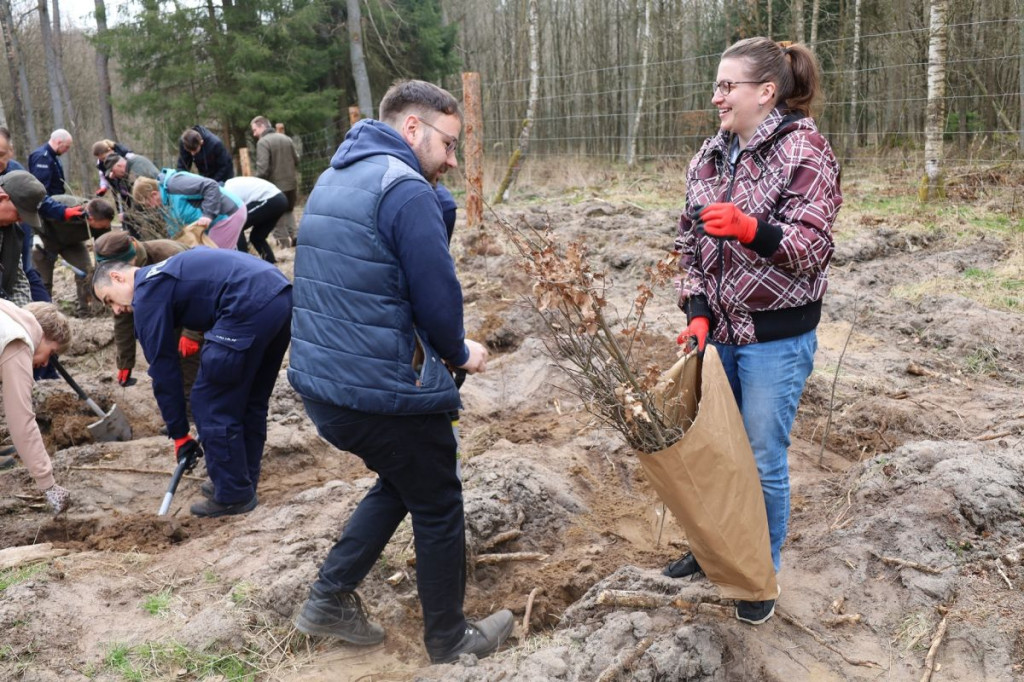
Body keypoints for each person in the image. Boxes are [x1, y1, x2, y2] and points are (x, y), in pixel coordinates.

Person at [288, 79, 512, 664]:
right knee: (438, 499)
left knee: (402, 478)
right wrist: (460, 353)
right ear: (413, 128)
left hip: (325, 383)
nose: (453, 158)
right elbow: (437, 298)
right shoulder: (403, 187)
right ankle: (450, 641)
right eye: (449, 144)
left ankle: (328, 599)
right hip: (378, 390)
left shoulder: (336, 176)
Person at [668, 38, 842, 625]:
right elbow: (688, 243)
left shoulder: (806, 152)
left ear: (765, 92)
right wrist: (696, 310)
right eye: (716, 85)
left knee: (762, 457)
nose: (717, 97)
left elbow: (813, 248)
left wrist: (752, 229)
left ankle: (756, 574)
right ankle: (712, 549)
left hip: (776, 337)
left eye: (727, 86)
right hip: (718, 333)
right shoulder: (710, 157)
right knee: (716, 450)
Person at [92, 248, 291, 517]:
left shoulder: (147, 293)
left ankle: (234, 494)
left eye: (109, 300)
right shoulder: (163, 273)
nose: (116, 309)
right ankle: (240, 479)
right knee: (248, 400)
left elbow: (163, 369)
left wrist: (179, 434)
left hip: (246, 305)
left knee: (209, 401)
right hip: (280, 296)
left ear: (117, 278)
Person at [93, 230, 203, 393]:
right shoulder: (109, 269)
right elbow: (122, 316)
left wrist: (192, 333)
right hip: (159, 310)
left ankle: (191, 406)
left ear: (134, 248)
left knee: (189, 360)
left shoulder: (168, 253)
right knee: (163, 359)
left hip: (192, 304)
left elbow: (198, 292)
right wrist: (125, 361)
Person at [0, 300, 72, 511]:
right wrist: (48, 484)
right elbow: (21, 420)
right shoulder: (17, 341)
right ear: (44, 335)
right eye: (52, 352)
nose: (46, 364)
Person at [31, 193, 111, 317]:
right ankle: (43, 314)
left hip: (73, 243)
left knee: (86, 273)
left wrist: (99, 270)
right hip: (46, 240)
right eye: (103, 224)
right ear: (91, 219)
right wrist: (46, 245)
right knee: (43, 280)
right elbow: (36, 218)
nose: (106, 226)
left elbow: (103, 250)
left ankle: (85, 310)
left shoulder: (103, 223)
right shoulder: (63, 204)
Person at [132, 172, 246, 250]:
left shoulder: (175, 184)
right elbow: (175, 230)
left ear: (153, 194)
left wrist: (208, 215)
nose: (151, 207)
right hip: (215, 222)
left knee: (218, 260)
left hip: (226, 214)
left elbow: (210, 186)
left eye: (148, 204)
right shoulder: (165, 204)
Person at [250, 116, 300, 248]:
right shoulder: (286, 138)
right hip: (291, 183)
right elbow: (297, 160)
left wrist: (256, 183)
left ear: (262, 126)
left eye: (255, 130)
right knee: (289, 210)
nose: (254, 134)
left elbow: (263, 169)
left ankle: (284, 244)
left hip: (275, 186)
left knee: (275, 214)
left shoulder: (263, 142)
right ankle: (294, 236)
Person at [0, 171, 47, 306]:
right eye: (19, 213)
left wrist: (22, 315)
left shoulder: (12, 233)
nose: (21, 220)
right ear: (3, 198)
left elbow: (18, 282)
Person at [223, 176, 288, 263]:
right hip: (279, 200)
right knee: (257, 237)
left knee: (236, 224)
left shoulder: (227, 192)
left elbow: (232, 218)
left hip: (271, 198)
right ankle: (270, 263)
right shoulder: (228, 185)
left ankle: (243, 263)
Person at [100, 151, 161, 240]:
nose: (112, 175)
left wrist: (126, 216)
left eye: (113, 171)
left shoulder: (136, 176)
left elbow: (139, 204)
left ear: (119, 166)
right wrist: (116, 181)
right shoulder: (134, 161)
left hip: (157, 206)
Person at [28, 129, 73, 196]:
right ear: (59, 142)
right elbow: (41, 189)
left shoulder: (53, 156)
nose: (66, 150)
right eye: (66, 147)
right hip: (50, 201)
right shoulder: (42, 157)